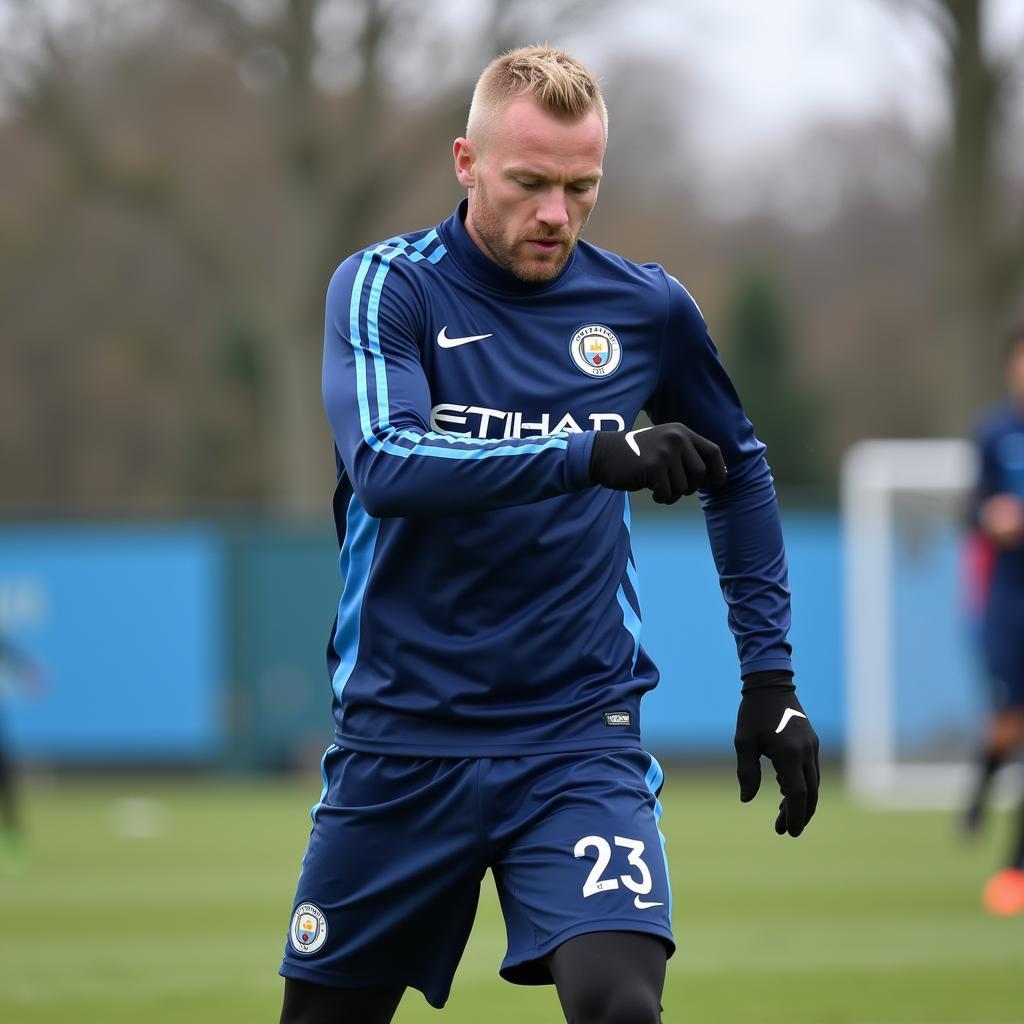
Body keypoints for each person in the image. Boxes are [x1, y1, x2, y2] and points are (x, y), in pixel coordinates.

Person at [278, 46, 819, 1024]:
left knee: (620, 1008)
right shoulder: (383, 289)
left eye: (581, 187)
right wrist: (590, 453)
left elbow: (738, 474)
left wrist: (770, 682)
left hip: (576, 737)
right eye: (529, 183)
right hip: (403, 735)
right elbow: (390, 467)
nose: (555, 215)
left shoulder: (646, 308)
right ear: (465, 162)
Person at [963, 327, 1024, 916]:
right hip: (1009, 604)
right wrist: (990, 514)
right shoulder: (995, 434)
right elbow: (971, 510)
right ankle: (979, 793)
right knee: (1007, 724)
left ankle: (1014, 869)